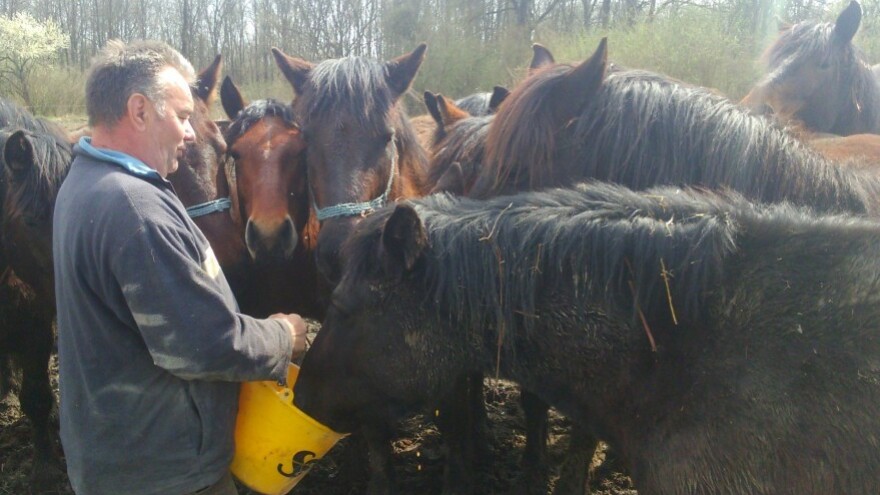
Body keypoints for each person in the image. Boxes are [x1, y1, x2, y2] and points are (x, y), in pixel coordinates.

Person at [53, 39, 308, 495]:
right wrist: (282, 336)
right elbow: (204, 346)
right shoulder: (135, 209)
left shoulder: (86, 180)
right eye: (183, 116)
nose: (191, 134)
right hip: (165, 470)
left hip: (120, 450)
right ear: (139, 111)